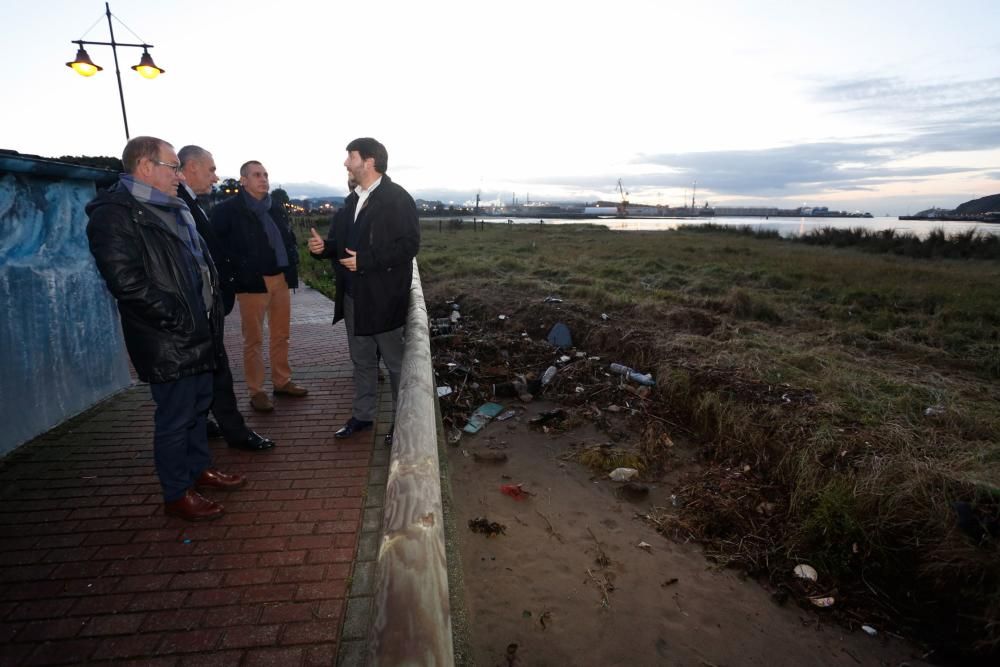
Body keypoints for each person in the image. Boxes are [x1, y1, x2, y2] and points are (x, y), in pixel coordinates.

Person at [86, 136, 246, 522]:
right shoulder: (115, 214)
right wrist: (177, 316)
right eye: (172, 167)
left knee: (196, 409)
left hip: (198, 330)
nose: (178, 174)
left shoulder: (172, 207)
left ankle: (197, 470)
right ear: (145, 167)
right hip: (167, 337)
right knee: (175, 417)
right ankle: (176, 493)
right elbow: (126, 283)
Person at [308, 137, 419, 445]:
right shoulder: (352, 200)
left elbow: (409, 246)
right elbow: (343, 244)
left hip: (383, 299)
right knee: (362, 361)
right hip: (354, 298)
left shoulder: (397, 198)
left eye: (351, 157)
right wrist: (323, 248)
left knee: (395, 365)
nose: (346, 162)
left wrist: (367, 261)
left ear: (369, 161)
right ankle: (363, 415)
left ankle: (402, 424)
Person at [177, 145, 275, 451]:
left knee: (213, 372)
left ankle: (212, 424)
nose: (216, 177)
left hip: (207, 304)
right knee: (217, 371)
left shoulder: (192, 204)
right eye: (211, 169)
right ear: (191, 168)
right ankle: (234, 432)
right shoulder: (180, 205)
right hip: (198, 307)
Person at [210, 160, 307, 412]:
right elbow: (215, 248)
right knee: (253, 339)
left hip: (280, 279)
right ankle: (256, 391)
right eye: (256, 175)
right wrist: (233, 275)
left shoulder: (275, 207)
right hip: (251, 283)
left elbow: (287, 239)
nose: (263, 179)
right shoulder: (227, 210)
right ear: (243, 180)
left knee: (281, 335)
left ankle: (282, 381)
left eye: (265, 174)